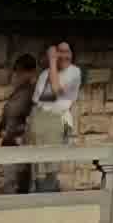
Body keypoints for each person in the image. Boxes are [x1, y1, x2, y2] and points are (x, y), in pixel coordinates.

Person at [20, 42, 83, 192]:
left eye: (66, 52)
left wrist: (53, 62)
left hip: (56, 122)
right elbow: (38, 101)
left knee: (49, 167)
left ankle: (48, 197)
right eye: (59, 52)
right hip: (38, 122)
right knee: (35, 169)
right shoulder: (45, 74)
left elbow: (54, 91)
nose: (63, 55)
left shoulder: (74, 72)